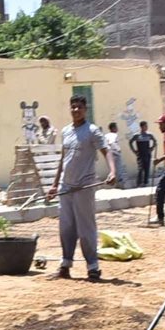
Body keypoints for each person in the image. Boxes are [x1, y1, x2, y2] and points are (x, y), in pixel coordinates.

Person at [48, 94, 116, 282]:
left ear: (85, 109)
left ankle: (92, 267)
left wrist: (112, 171)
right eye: (73, 107)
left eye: (79, 107)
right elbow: (63, 160)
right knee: (66, 227)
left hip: (84, 186)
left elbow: (106, 150)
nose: (76, 110)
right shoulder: (66, 132)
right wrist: (55, 185)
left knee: (86, 228)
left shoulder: (92, 131)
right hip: (66, 186)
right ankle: (65, 265)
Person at [129, 120, 157, 187]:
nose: (146, 127)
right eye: (145, 126)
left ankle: (145, 183)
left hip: (147, 153)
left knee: (147, 168)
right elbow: (130, 142)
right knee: (140, 169)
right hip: (140, 154)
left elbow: (155, 141)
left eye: (147, 126)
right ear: (141, 127)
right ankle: (139, 183)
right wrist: (134, 151)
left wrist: (152, 148)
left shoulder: (149, 135)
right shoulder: (137, 135)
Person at [104, 122, 127, 188]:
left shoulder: (106, 135)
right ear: (113, 128)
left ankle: (115, 184)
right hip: (115, 153)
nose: (117, 128)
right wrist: (118, 150)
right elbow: (112, 143)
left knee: (113, 169)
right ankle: (120, 185)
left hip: (108, 154)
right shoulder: (114, 135)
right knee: (119, 169)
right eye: (116, 127)